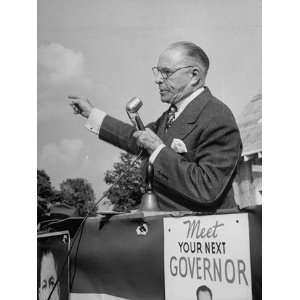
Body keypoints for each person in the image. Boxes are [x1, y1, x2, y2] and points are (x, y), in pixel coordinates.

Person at [69, 41, 242, 211]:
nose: (157, 80)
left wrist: (158, 149)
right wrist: (92, 114)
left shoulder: (217, 117)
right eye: (158, 72)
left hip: (204, 233)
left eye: (166, 72)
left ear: (194, 76)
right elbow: (136, 138)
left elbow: (208, 188)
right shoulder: (173, 114)